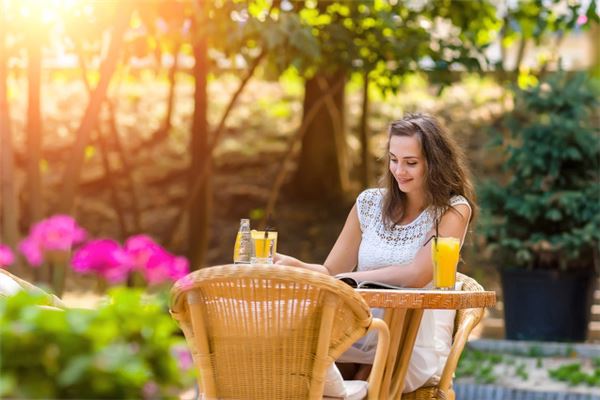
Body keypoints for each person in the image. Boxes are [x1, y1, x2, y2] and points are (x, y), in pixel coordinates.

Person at [274, 112, 477, 392]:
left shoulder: (453, 210)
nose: (399, 171)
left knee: (366, 381)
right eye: (394, 159)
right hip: (361, 330)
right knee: (306, 374)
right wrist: (296, 266)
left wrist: (353, 279)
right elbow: (331, 271)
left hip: (413, 340)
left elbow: (417, 275)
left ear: (435, 164)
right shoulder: (369, 204)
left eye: (411, 163)